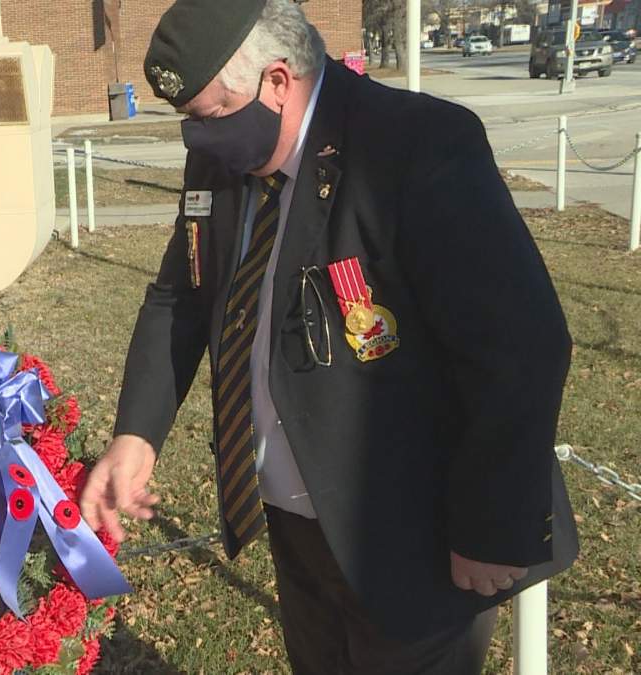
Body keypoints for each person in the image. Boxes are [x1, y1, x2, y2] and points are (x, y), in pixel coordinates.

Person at [78, 0, 579, 672]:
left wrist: (493, 526)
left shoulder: (414, 144)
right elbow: (182, 294)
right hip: (297, 523)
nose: (197, 140)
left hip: (417, 532)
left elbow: (521, 343)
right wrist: (136, 433)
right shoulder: (223, 160)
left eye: (210, 115)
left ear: (278, 80)